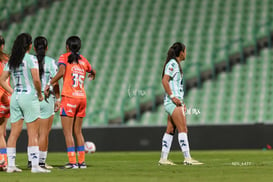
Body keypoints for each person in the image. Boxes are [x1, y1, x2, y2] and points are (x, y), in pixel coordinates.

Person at [0, 33, 50, 173]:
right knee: (33, 134)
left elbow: (2, 80)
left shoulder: (12, 60)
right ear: (29, 45)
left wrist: (13, 91)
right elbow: (36, 80)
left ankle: (10, 166)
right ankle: (35, 166)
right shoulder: (31, 59)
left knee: (13, 134)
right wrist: (39, 94)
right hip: (29, 97)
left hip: (15, 98)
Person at [45, 36, 96, 169]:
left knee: (68, 133)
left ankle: (72, 162)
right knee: (78, 132)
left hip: (69, 97)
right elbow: (92, 70)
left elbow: (61, 72)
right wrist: (92, 74)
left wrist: (49, 83)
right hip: (82, 98)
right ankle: (82, 162)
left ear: (67, 46)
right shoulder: (84, 60)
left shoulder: (64, 57)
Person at [159, 42, 203, 165]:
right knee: (183, 128)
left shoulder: (175, 64)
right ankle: (187, 158)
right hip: (173, 102)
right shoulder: (172, 63)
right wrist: (173, 97)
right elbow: (164, 80)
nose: (186, 53)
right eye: (185, 50)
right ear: (181, 52)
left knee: (170, 129)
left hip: (173, 102)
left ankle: (163, 159)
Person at [26, 36, 60, 169]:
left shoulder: (29, 61)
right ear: (46, 48)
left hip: (31, 98)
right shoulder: (51, 62)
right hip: (46, 99)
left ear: (34, 48)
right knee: (44, 133)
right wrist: (57, 98)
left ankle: (31, 160)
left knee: (32, 132)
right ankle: (40, 162)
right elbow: (55, 81)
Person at [0, 36, 10, 171]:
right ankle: (4, 161)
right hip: (7, 100)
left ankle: (3, 161)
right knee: (1, 133)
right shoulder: (7, 60)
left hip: (1, 98)